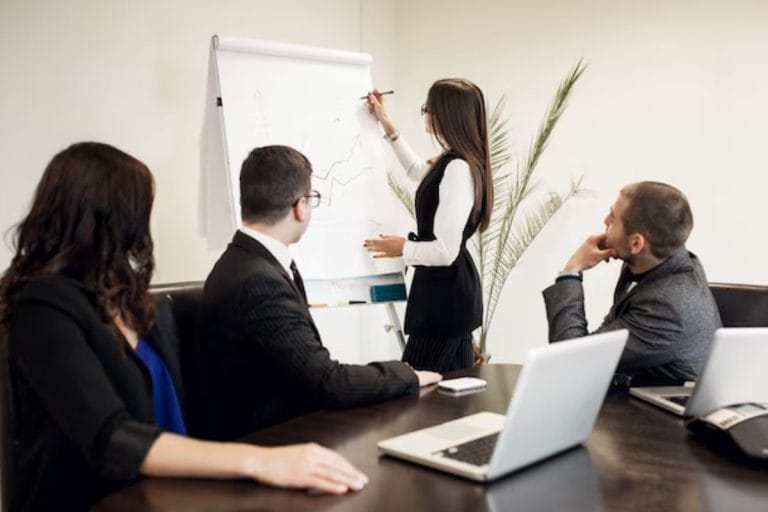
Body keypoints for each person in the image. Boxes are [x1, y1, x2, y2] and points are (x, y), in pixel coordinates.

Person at [0, 142, 369, 512]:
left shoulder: (129, 299)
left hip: (171, 493)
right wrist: (260, 461)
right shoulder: (43, 307)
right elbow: (110, 437)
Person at [197, 145, 441, 441]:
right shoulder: (260, 282)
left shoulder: (243, 261)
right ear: (301, 206)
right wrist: (407, 375)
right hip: (269, 441)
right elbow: (328, 382)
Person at [363, 79, 494, 373]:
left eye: (428, 108)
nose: (425, 113)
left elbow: (445, 251)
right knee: (453, 388)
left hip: (444, 301)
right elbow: (415, 170)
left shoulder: (457, 168)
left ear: (446, 114)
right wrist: (385, 122)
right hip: (450, 296)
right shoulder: (455, 161)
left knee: (412, 385)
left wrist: (403, 248)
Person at [542, 181, 722, 385]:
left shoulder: (667, 306)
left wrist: (572, 271)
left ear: (636, 243)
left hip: (659, 402)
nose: (605, 221)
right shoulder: (661, 260)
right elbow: (597, 342)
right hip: (630, 386)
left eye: (612, 218)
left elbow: (569, 361)